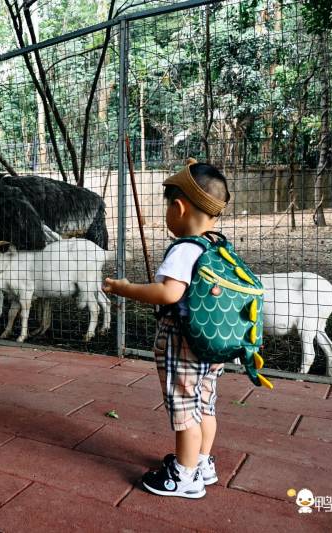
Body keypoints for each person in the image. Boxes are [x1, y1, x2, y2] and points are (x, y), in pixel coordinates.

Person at [102, 160, 231, 499]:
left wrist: (125, 288)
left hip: (183, 341)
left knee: (184, 409)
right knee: (205, 405)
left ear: (179, 208)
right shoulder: (218, 246)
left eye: (167, 209)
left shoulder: (185, 249)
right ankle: (202, 463)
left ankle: (184, 477)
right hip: (212, 342)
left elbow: (168, 293)